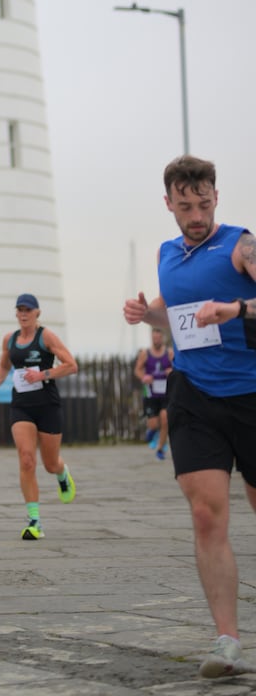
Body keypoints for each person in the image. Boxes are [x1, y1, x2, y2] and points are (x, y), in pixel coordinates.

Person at [123, 154, 256, 679]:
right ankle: (228, 641)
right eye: (185, 205)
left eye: (204, 203)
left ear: (216, 198)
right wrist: (146, 314)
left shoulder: (242, 245)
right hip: (194, 393)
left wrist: (235, 309)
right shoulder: (167, 254)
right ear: (169, 205)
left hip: (251, 393)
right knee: (206, 514)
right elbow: (176, 312)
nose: (195, 213)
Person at [0, 293, 77, 540]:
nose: (24, 314)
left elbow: (71, 365)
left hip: (47, 406)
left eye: (28, 310)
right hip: (21, 406)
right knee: (26, 459)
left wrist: (43, 374)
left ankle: (61, 473)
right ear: (16, 313)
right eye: (20, 310)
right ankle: (34, 520)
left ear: (37, 313)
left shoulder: (46, 336)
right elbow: (4, 365)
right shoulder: (10, 339)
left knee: (49, 463)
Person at [133, 327, 173, 459]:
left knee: (165, 418)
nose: (156, 340)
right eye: (154, 338)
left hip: (166, 393)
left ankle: (160, 448)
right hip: (151, 393)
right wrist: (144, 377)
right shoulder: (145, 353)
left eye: (158, 338)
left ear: (162, 338)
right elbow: (138, 370)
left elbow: (178, 367)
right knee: (154, 423)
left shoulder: (169, 353)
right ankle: (153, 430)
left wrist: (171, 372)